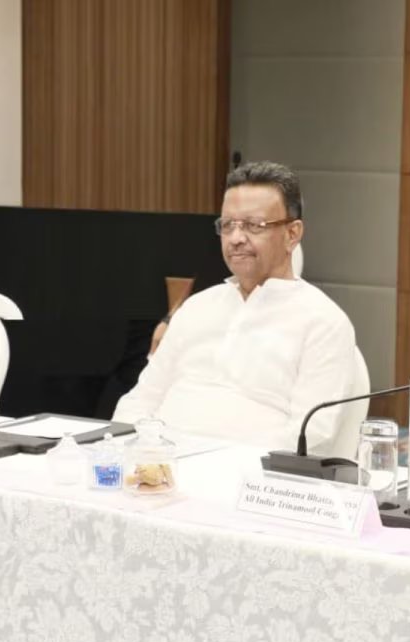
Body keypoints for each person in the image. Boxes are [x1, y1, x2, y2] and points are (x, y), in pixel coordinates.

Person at [113, 161, 356, 450]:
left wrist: (215, 461)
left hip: (247, 482)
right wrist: (130, 453)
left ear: (292, 234)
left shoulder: (323, 321)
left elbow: (310, 434)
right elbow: (140, 400)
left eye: (254, 225)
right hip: (156, 469)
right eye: (228, 225)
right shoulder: (197, 308)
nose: (237, 238)